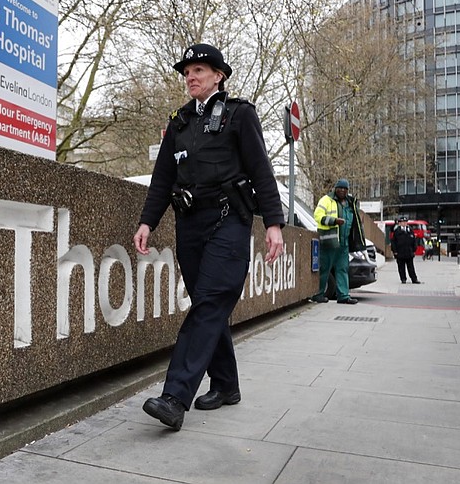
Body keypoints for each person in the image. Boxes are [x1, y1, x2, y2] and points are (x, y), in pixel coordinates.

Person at [132, 43, 285, 431]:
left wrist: (273, 224)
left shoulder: (239, 115)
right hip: (190, 226)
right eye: (187, 72)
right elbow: (162, 179)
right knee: (208, 305)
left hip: (229, 221)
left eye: (199, 70)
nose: (191, 77)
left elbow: (262, 170)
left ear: (219, 75)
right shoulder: (179, 123)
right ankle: (227, 385)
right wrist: (147, 221)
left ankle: (174, 396)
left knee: (210, 302)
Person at [310, 179, 366, 304]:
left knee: (342, 269)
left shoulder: (351, 203)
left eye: (345, 189)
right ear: (335, 188)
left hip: (344, 243)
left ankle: (343, 296)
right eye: (340, 188)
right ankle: (317, 294)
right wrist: (334, 221)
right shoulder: (326, 200)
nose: (342, 190)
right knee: (324, 268)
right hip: (330, 241)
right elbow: (317, 216)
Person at [390, 215, 421, 284]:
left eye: (405, 222)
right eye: (402, 222)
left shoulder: (410, 230)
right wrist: (395, 251)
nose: (404, 223)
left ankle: (414, 279)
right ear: (399, 223)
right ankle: (403, 279)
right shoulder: (397, 231)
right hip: (400, 252)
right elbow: (393, 242)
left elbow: (414, 241)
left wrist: (414, 250)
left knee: (411, 267)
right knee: (401, 267)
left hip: (409, 252)